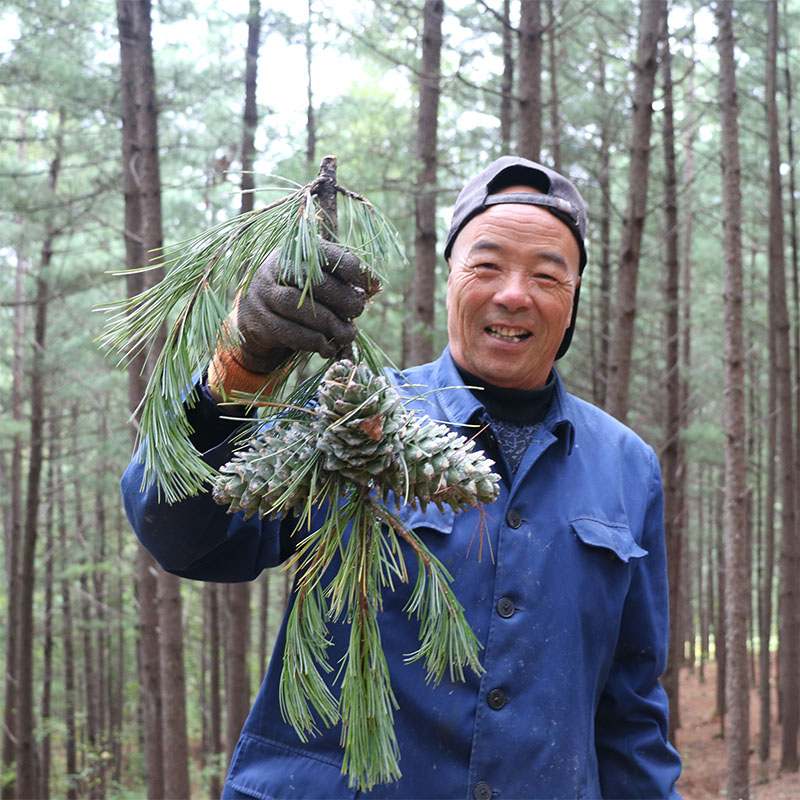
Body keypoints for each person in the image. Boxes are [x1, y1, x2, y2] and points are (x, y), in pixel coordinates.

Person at [122, 156, 682, 799]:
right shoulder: (352, 413)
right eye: (487, 265)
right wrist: (242, 363)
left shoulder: (627, 466)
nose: (513, 294)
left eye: (547, 275)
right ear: (450, 278)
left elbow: (630, 713)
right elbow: (183, 536)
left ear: (573, 298)